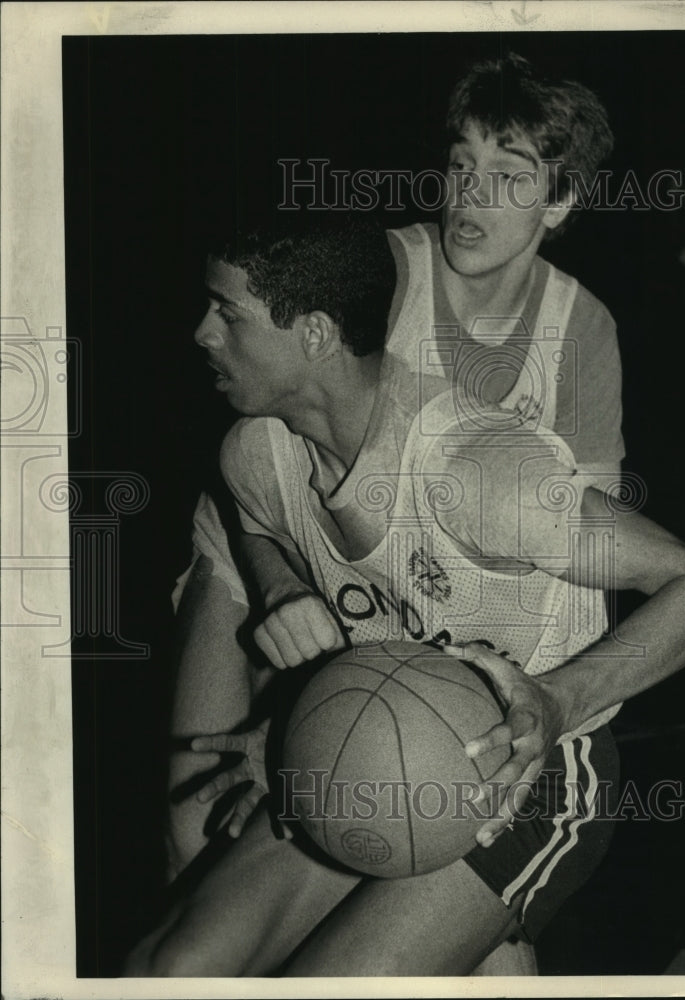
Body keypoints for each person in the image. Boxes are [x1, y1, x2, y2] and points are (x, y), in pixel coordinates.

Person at [126, 214, 685, 977]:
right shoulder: (256, 449)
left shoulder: (479, 470)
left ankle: (487, 935)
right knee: (169, 970)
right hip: (381, 736)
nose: (202, 332)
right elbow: (254, 521)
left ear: (313, 333)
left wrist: (559, 701)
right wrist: (282, 613)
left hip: (532, 770)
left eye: (227, 313)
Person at [166, 55, 624, 900]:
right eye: (461, 165)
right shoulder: (381, 267)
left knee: (363, 805)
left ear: (559, 204)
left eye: (508, 176)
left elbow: (576, 568)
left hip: (403, 597)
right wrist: (272, 591)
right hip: (263, 535)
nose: (470, 195)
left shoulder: (582, 333)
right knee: (197, 825)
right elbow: (249, 432)